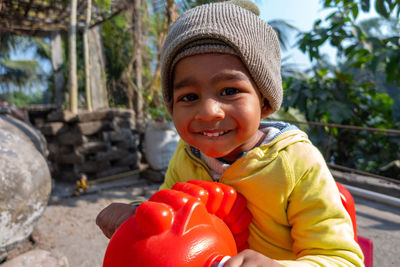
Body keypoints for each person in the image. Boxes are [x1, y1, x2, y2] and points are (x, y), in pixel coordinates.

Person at [96, 1, 364, 266]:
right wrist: (136, 213)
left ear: (264, 100)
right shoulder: (187, 155)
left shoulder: (296, 163)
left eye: (229, 91)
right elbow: (169, 212)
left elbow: (342, 259)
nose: (208, 111)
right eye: (189, 96)